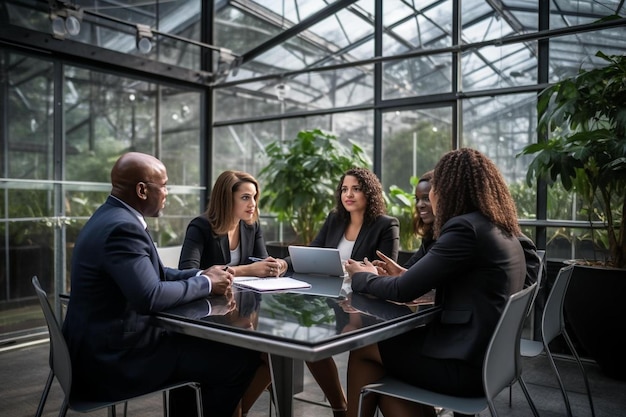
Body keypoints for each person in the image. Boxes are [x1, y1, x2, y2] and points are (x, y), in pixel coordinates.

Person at [62, 152, 260, 417]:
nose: (167, 192)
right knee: (239, 360)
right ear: (142, 190)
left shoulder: (112, 217)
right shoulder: (122, 228)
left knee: (198, 348)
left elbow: (158, 273)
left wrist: (202, 275)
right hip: (112, 362)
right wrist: (205, 284)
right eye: (164, 185)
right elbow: (150, 297)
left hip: (98, 347)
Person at [344, 148, 527, 417]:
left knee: (363, 348)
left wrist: (362, 277)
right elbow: (454, 281)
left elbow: (402, 293)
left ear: (447, 189)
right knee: (383, 383)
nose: (430, 196)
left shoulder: (464, 229)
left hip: (465, 366)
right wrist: (405, 274)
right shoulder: (498, 228)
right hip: (493, 361)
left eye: (434, 188)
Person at [245, 167, 399, 417]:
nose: (348, 194)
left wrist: (361, 272)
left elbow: (385, 271)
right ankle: (339, 406)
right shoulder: (335, 219)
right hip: (331, 300)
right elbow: (314, 251)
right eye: (344, 189)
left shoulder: (385, 225)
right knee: (307, 341)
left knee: (318, 343)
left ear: (369, 193)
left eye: (356, 189)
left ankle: (342, 406)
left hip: (366, 305)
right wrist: (285, 262)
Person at [178, 170, 287, 277]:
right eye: (245, 197)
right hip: (209, 293)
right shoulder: (200, 226)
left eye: (254, 197)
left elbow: (262, 265)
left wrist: (277, 265)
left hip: (244, 292)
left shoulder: (252, 226)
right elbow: (187, 272)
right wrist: (247, 270)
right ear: (227, 199)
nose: (253, 204)